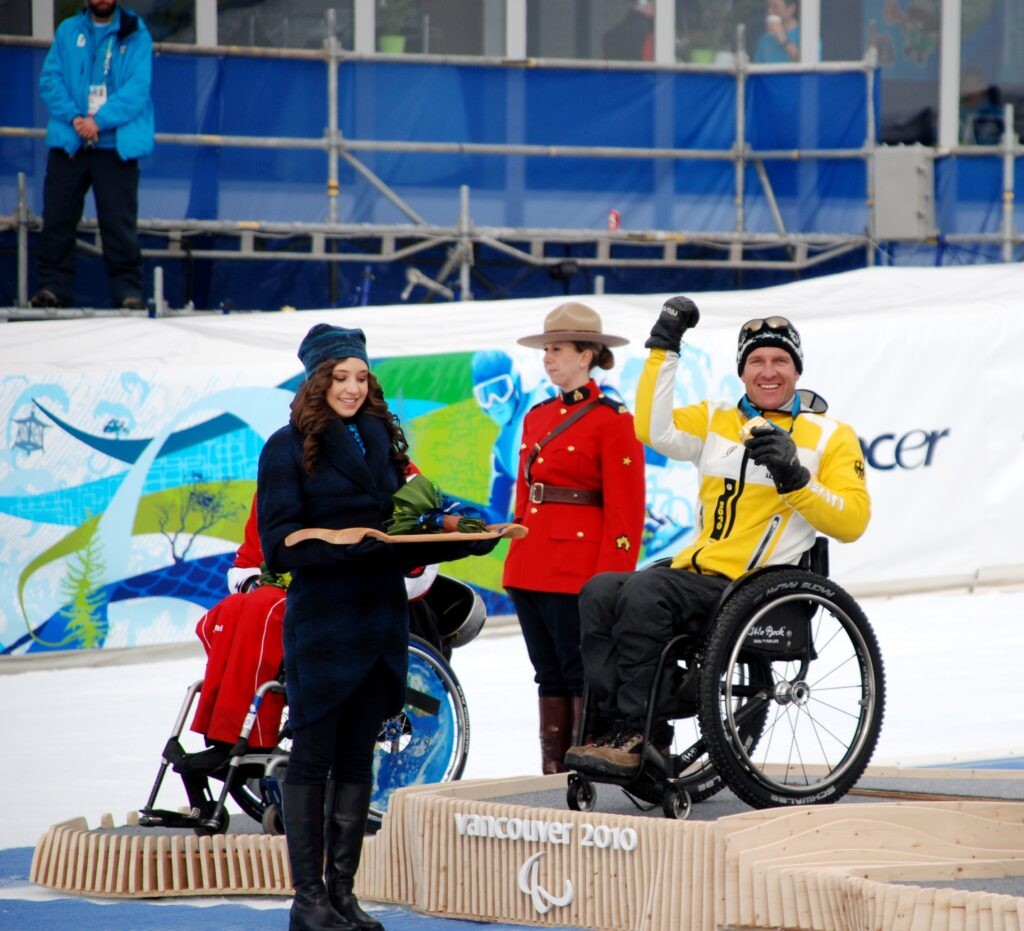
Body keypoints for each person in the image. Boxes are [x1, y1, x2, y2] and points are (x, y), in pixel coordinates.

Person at [565, 297, 870, 779]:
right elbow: (651, 428)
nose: (769, 372)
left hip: (759, 586)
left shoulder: (831, 436)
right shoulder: (715, 419)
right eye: (757, 361)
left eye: (781, 361)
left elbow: (852, 520)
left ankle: (638, 729)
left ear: (797, 370)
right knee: (600, 591)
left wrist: (794, 476)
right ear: (742, 373)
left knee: (647, 592)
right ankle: (625, 730)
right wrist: (664, 349)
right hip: (698, 575)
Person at [257, 324, 495, 931]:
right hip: (324, 621)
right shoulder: (283, 447)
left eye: (361, 377)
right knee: (313, 758)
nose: (352, 388)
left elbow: (402, 535)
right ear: (317, 379)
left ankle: (342, 895)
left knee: (360, 759)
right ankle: (307, 900)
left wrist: (457, 539)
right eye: (340, 377)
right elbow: (279, 547)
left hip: (380, 619)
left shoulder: (383, 443)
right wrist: (354, 549)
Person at [502, 302, 646, 775]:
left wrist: (611, 584)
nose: (548, 358)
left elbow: (625, 512)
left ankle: (583, 768)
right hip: (529, 563)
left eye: (558, 349)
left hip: (577, 571)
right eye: (546, 349)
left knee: (577, 673)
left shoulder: (613, 419)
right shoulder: (537, 416)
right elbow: (526, 495)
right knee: (546, 674)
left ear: (587, 355)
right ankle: (553, 769)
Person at [30, 0, 154, 310]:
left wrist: (99, 121)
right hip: (71, 142)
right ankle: (52, 289)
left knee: (118, 224)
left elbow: (137, 88)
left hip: (115, 146)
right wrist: (76, 119)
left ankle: (128, 293)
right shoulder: (68, 30)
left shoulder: (135, 31)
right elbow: (50, 80)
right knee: (57, 219)